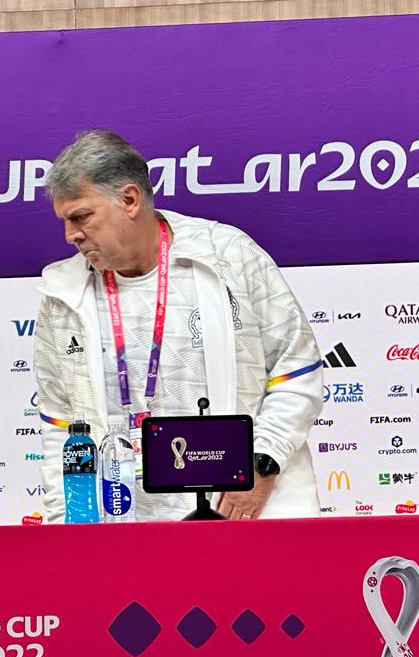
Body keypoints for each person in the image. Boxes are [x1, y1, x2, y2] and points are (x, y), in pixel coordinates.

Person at [34, 129, 324, 522]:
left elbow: (297, 368)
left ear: (130, 199)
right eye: (65, 221)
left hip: (240, 507)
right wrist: (65, 521)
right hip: (123, 523)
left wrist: (261, 464)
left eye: (81, 216)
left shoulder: (228, 255)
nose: (71, 235)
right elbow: (59, 422)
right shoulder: (61, 296)